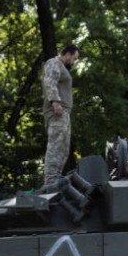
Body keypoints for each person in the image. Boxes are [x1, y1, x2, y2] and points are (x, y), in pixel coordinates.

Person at [40, 43, 79, 187]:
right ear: (67, 54)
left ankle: (55, 180)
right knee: (55, 147)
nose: (74, 62)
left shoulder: (63, 68)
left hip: (64, 114)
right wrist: (55, 102)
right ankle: (50, 181)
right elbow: (49, 82)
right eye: (74, 58)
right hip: (57, 112)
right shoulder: (54, 63)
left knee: (63, 148)